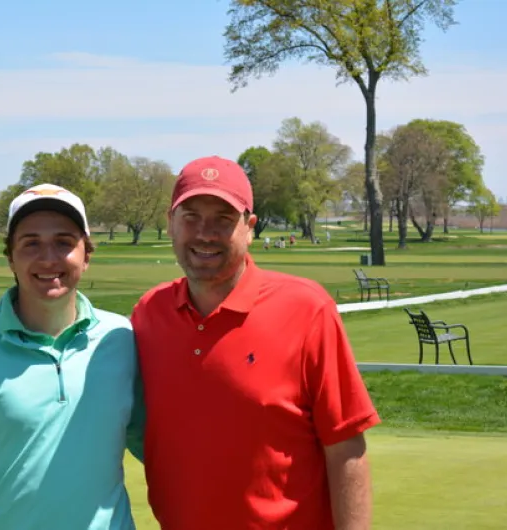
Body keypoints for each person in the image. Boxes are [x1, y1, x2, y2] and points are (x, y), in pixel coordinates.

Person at [130, 156, 381, 530]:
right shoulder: (148, 313)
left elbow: (346, 446)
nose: (205, 233)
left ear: (249, 228)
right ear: (170, 224)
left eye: (223, 219)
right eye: (191, 217)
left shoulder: (307, 309)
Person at [0, 183, 140, 530]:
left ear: (87, 254)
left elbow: (160, 449)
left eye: (64, 242)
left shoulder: (121, 338)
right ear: (10, 257)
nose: (48, 258)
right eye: (31, 243)